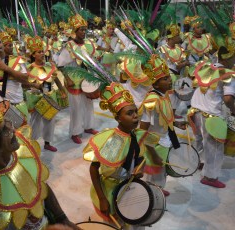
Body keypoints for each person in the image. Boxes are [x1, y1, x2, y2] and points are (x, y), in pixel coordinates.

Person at [0, 91, 78, 229]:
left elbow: (41, 186)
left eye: (7, 123)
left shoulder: (20, 154)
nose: (12, 128)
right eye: (4, 130)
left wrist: (62, 219)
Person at [83, 82, 162, 230]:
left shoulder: (138, 136)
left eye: (135, 112)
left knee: (136, 222)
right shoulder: (110, 140)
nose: (135, 116)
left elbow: (140, 158)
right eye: (129, 113)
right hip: (110, 189)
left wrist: (140, 170)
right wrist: (102, 198)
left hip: (130, 186)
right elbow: (94, 169)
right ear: (118, 118)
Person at [139, 55, 186, 196]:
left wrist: (176, 123)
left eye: (168, 77)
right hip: (155, 145)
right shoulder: (152, 101)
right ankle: (150, 195)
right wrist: (152, 153)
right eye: (165, 79)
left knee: (161, 171)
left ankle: (157, 189)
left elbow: (164, 118)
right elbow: (143, 131)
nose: (170, 80)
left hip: (165, 140)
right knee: (152, 172)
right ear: (156, 84)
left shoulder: (164, 96)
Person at [188, 47, 235, 188]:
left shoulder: (207, 66)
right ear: (227, 57)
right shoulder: (228, 74)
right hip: (211, 115)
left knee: (200, 140)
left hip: (194, 110)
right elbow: (227, 99)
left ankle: (199, 163)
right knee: (215, 147)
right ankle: (210, 177)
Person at [57, 14, 99, 144]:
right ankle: (75, 132)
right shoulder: (69, 46)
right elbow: (61, 65)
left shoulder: (88, 44)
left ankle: (88, 126)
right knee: (76, 108)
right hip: (74, 82)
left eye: (85, 29)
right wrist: (68, 79)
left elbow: (93, 62)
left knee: (88, 105)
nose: (83, 32)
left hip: (87, 81)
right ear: (75, 32)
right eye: (81, 29)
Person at [26, 35, 67, 152]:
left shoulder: (49, 66)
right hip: (36, 97)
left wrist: (62, 90)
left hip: (49, 95)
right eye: (39, 52)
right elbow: (25, 83)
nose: (42, 54)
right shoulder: (28, 68)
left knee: (50, 120)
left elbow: (57, 79)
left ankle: (47, 143)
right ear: (33, 55)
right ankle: (31, 145)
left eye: (42, 51)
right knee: (34, 122)